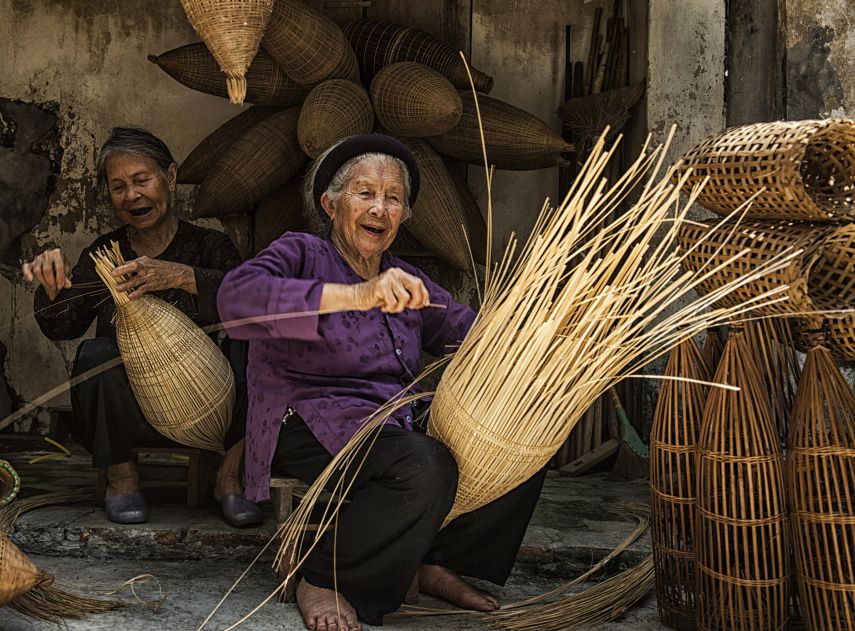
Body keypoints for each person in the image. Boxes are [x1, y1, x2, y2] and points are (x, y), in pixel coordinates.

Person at [217, 134, 546, 630]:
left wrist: (545, 332)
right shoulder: (301, 252)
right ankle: (326, 574)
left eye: (393, 198)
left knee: (521, 433)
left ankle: (439, 562)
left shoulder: (406, 277)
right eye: (364, 193)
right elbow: (236, 300)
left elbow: (471, 332)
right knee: (424, 465)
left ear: (405, 215)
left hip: (391, 423)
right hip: (306, 420)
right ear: (330, 205)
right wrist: (358, 295)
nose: (380, 207)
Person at [22, 127, 261, 528]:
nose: (131, 195)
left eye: (141, 180)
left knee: (256, 345)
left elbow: (252, 299)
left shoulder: (209, 246)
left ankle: (228, 479)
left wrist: (180, 276)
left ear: (169, 177)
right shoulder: (105, 255)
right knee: (95, 354)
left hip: (209, 408)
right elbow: (63, 326)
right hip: (132, 412)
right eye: (118, 187)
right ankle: (122, 478)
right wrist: (50, 289)